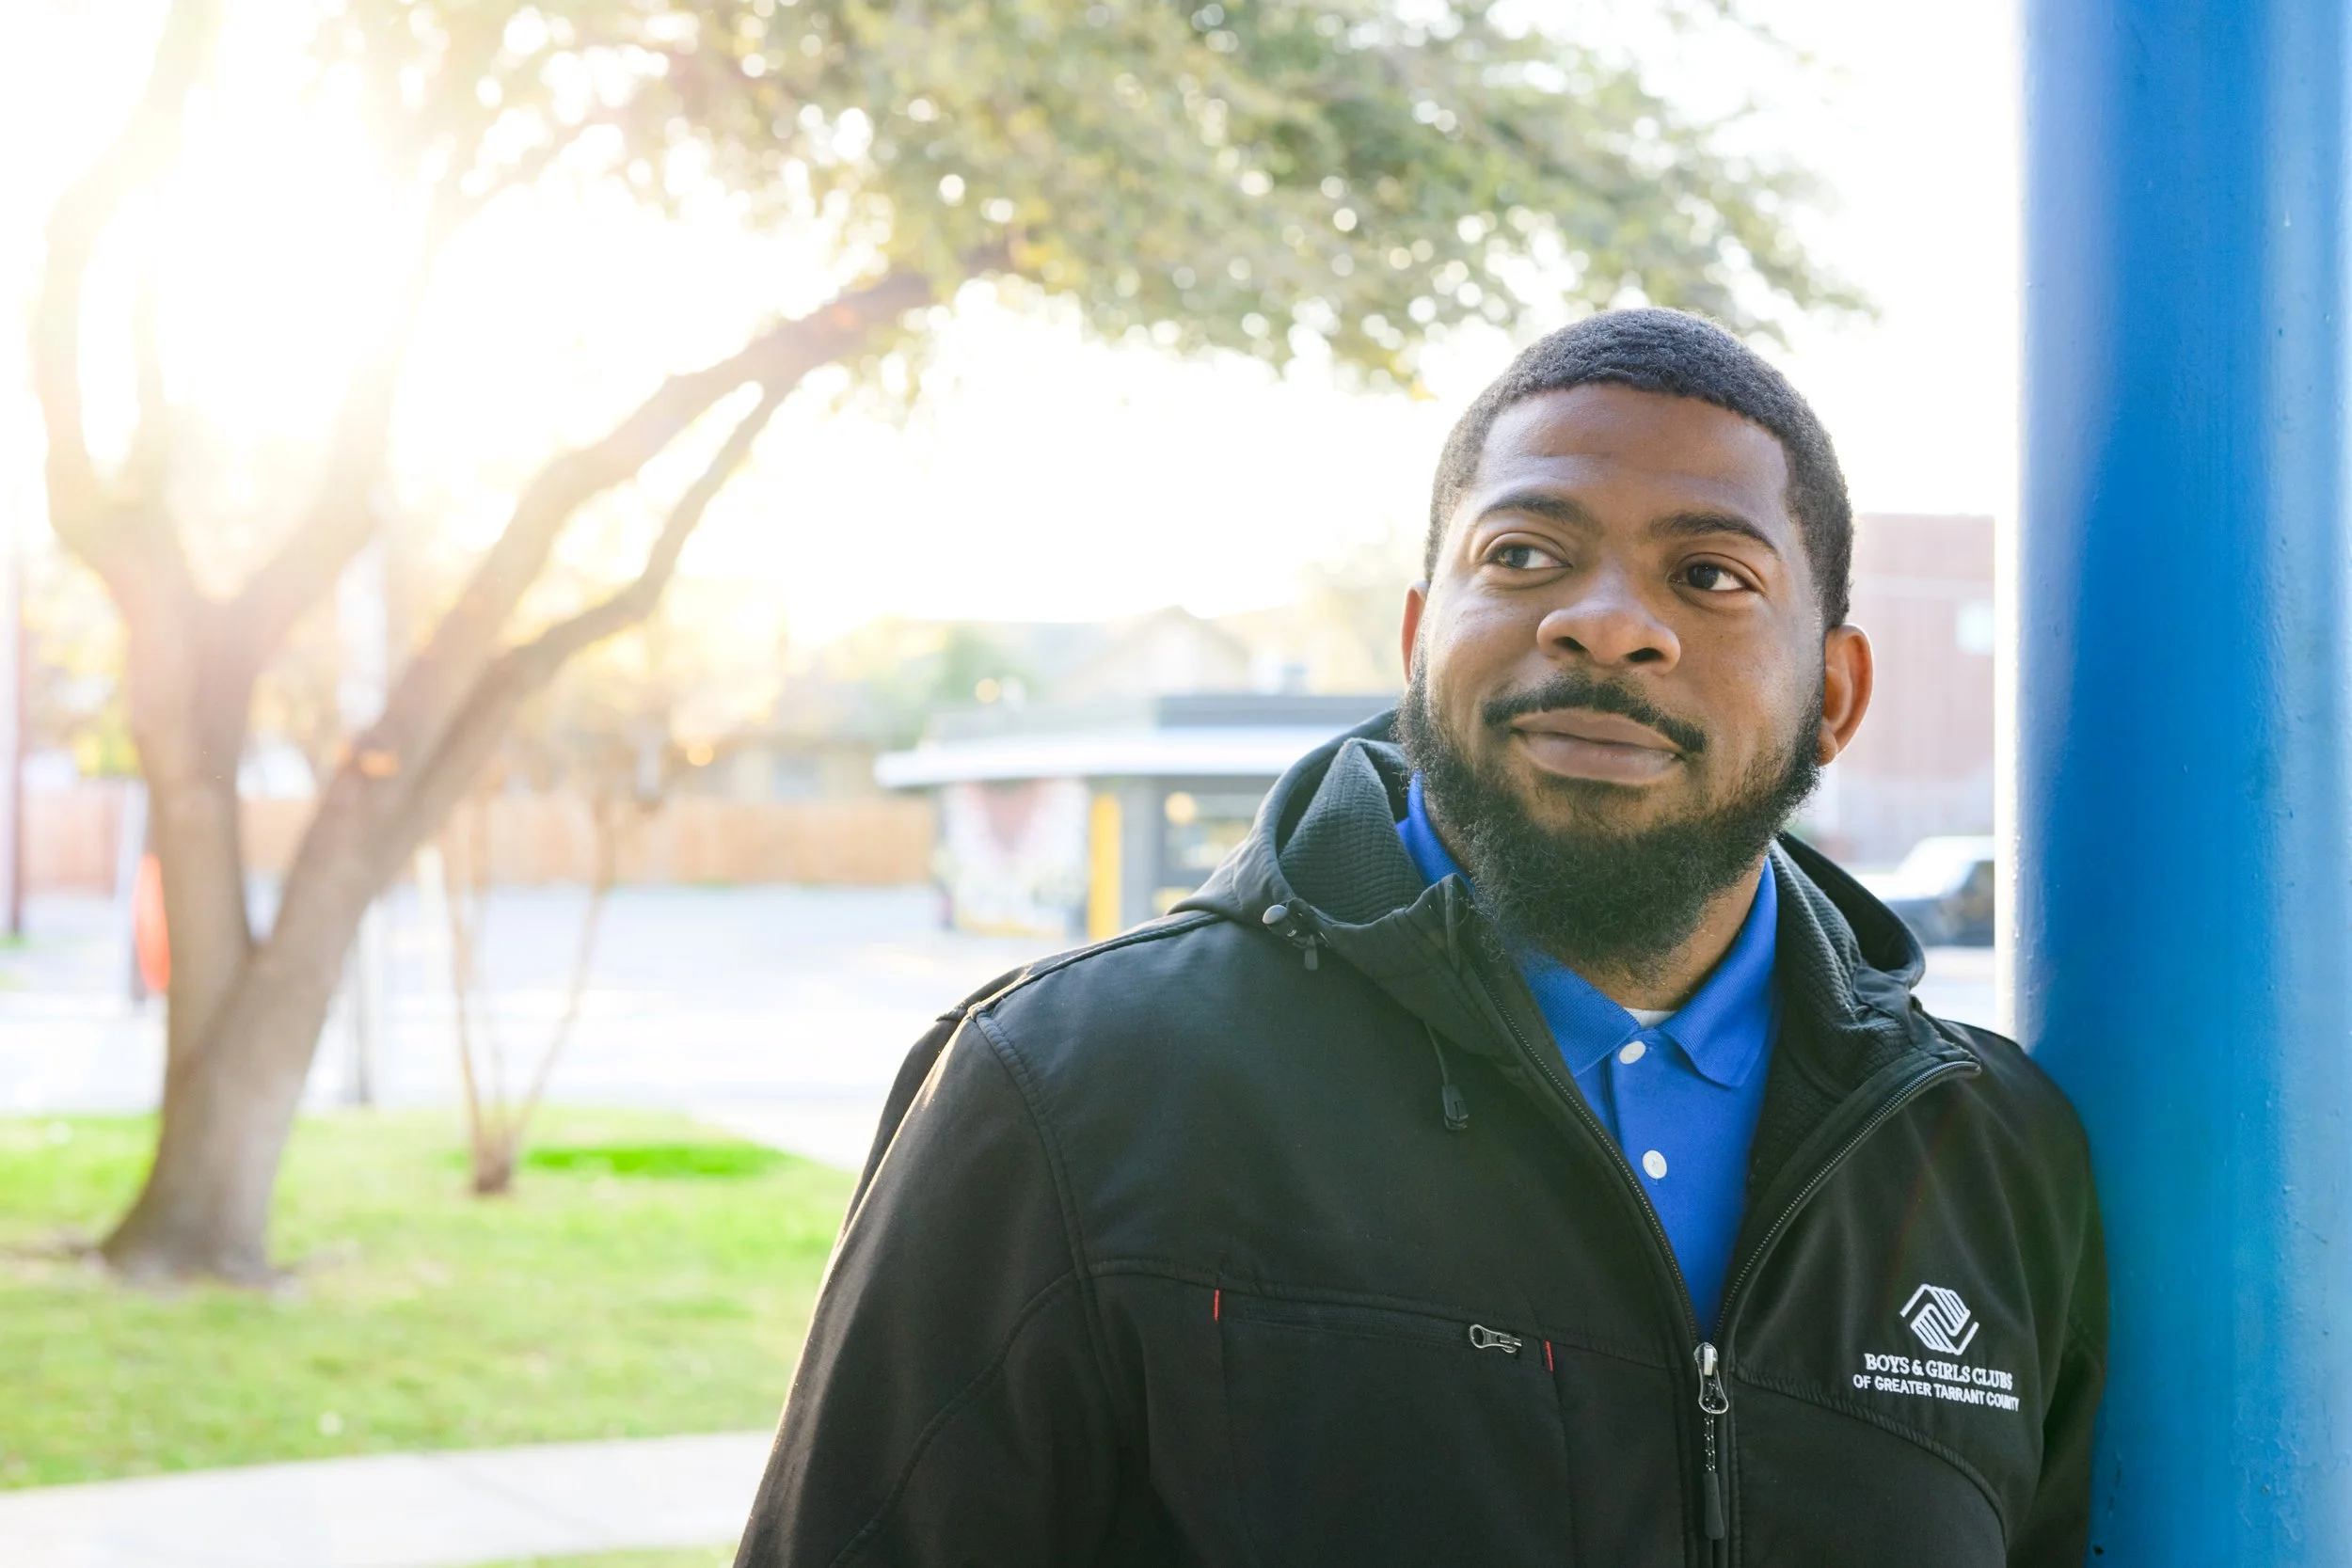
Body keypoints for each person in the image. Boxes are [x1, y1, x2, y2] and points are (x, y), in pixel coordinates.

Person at [734, 309, 2106, 1566]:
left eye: (1710, 573)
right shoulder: (1065, 1086)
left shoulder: (1993, 1159)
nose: (1608, 623)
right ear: (1415, 638)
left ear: (1835, 694)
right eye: (1525, 555)